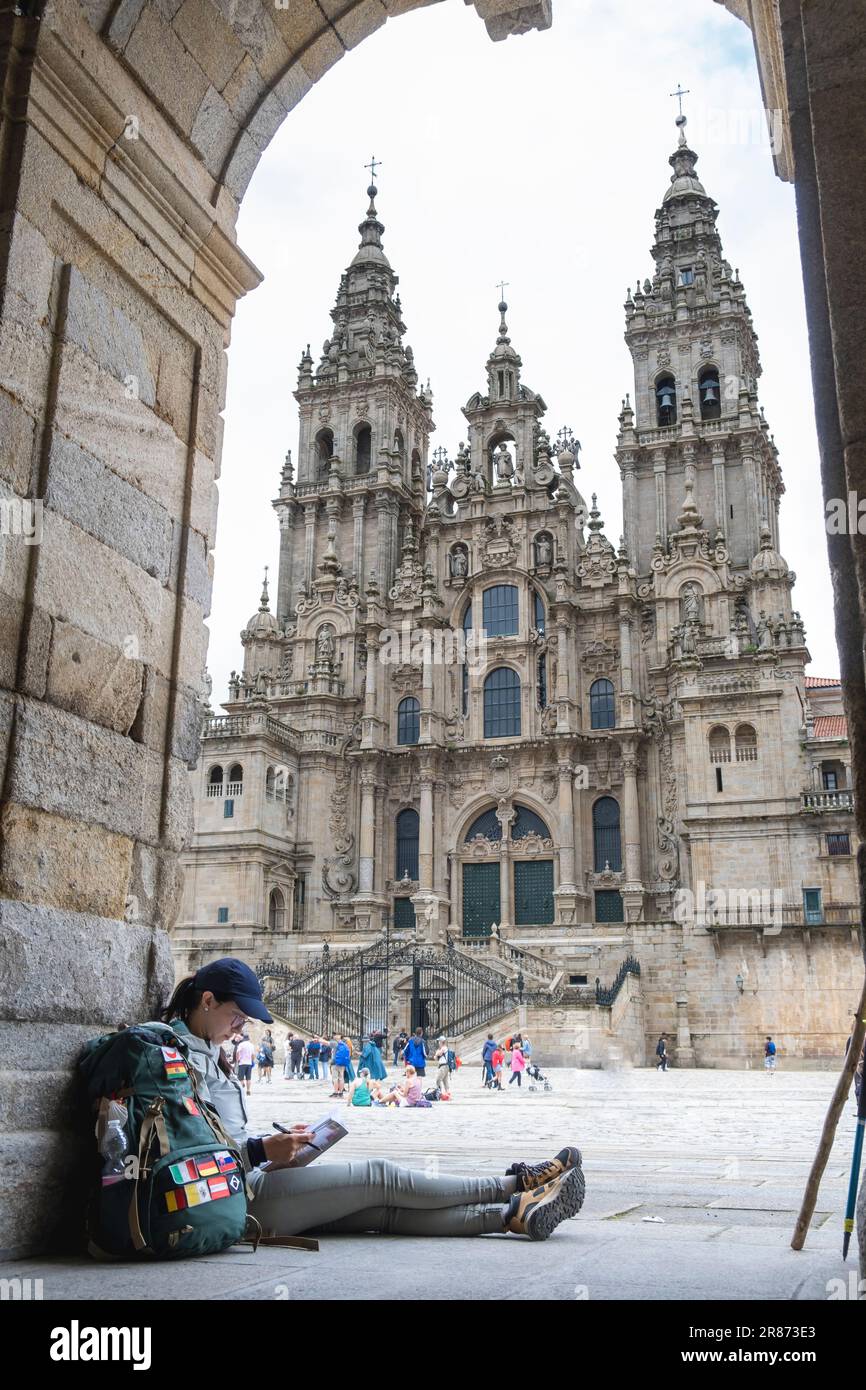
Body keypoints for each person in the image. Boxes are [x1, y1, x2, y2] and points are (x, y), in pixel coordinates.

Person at [158, 957, 585, 1240]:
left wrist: (276, 1148)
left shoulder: (209, 1053)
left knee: (385, 1214)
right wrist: (257, 1151)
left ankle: (513, 1215)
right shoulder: (175, 1059)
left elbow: (217, 1136)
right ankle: (516, 1183)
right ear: (207, 1001)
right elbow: (183, 1152)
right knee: (381, 1177)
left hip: (244, 1181)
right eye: (237, 1016)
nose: (240, 1027)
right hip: (235, 1196)